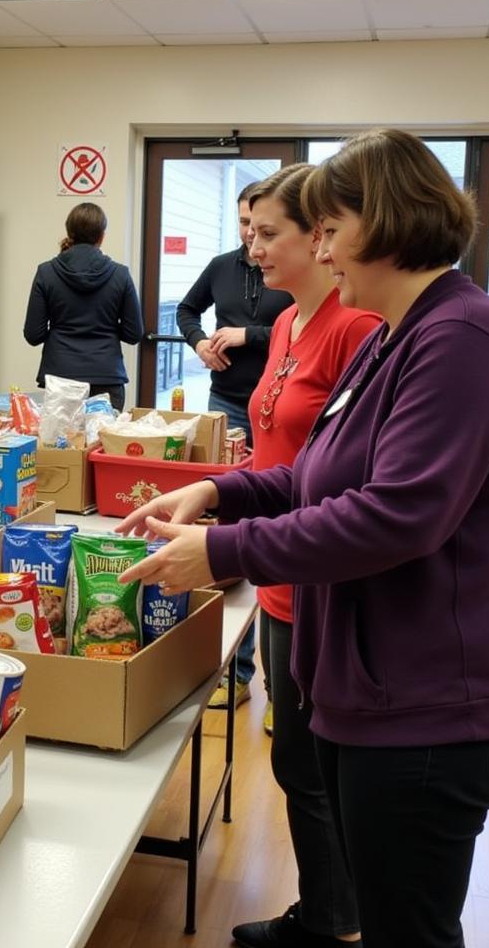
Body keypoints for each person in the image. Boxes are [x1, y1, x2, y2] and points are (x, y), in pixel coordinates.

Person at [117, 128, 489, 948]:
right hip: (376, 690)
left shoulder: (462, 340)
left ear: (383, 221)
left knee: (407, 929)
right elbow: (314, 474)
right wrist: (212, 491)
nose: (319, 249)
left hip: (432, 707)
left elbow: (397, 515)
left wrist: (221, 551)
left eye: (328, 228)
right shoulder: (393, 334)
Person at [238, 163, 380, 946]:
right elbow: (277, 453)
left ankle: (336, 922)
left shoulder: (356, 328)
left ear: (319, 238)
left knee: (318, 770)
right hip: (275, 576)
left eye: (270, 233)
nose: (254, 248)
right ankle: (328, 911)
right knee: (298, 764)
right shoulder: (288, 323)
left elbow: (349, 480)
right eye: (248, 232)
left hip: (317, 575)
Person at [178, 182, 292, 712]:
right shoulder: (222, 265)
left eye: (262, 226)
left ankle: (281, 686)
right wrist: (200, 342)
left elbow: (299, 329)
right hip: (227, 405)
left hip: (282, 405)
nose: (251, 235)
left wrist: (251, 336)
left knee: (275, 535)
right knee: (232, 528)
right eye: (246, 223)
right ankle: (237, 673)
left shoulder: (288, 272)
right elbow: (185, 310)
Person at [23, 202, 143, 412]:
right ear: (102, 236)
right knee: (102, 443)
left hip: (61, 377)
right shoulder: (120, 275)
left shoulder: (46, 273)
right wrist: (106, 327)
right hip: (107, 376)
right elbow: (134, 334)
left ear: (69, 233)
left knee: (62, 443)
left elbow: (34, 335)